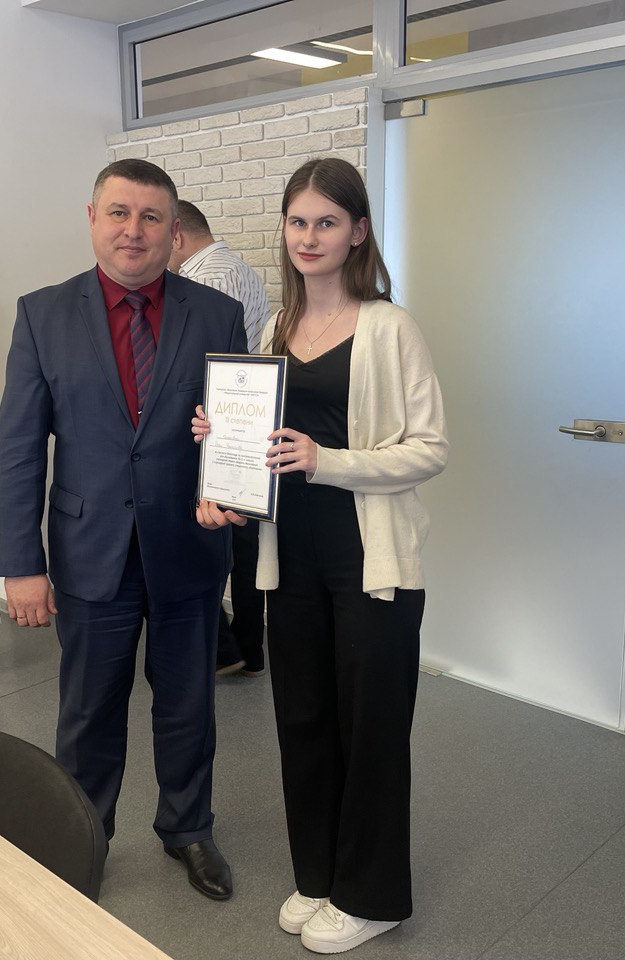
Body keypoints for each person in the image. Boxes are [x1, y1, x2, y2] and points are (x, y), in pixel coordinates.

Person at [194, 156, 448, 953]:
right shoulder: (276, 327)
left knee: (370, 729)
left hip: (370, 559)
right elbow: (265, 445)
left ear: (358, 231)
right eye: (298, 222)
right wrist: (221, 444)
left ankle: (373, 896)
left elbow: (430, 448)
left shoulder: (391, 327)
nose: (309, 237)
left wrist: (325, 459)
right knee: (302, 719)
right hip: (289, 556)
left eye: (327, 223)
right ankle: (320, 875)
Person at [0, 159, 247, 900]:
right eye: (119, 213)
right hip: (88, 550)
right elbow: (18, 448)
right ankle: (85, 835)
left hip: (188, 545)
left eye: (151, 217)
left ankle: (188, 828)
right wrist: (21, 564)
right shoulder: (42, 314)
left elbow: (231, 429)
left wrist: (231, 485)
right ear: (92, 218)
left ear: (174, 230)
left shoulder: (216, 314)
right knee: (89, 709)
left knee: (189, 703)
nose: (134, 230)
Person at [169, 198, 270, 677]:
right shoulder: (240, 269)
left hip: (221, 429)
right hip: (242, 424)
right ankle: (246, 649)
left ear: (178, 234)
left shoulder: (208, 279)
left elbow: (203, 366)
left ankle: (226, 648)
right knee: (242, 544)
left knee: (216, 541)